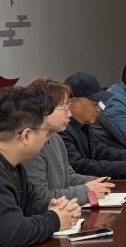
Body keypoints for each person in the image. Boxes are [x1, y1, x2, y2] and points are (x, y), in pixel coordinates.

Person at [0, 84, 82, 247]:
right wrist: (55, 219)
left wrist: (51, 207)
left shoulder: (11, 161)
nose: (47, 136)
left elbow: (29, 203)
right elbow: (11, 234)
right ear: (26, 135)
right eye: (46, 130)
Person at [23, 77, 116, 206]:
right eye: (64, 108)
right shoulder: (32, 146)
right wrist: (87, 190)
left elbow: (68, 176)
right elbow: (40, 197)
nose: (69, 114)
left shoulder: (55, 138)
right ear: (45, 110)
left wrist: (96, 182)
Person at [62, 71, 126, 179]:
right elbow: (79, 166)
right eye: (95, 104)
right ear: (75, 103)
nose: (98, 109)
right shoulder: (62, 130)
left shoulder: (85, 125)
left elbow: (102, 151)